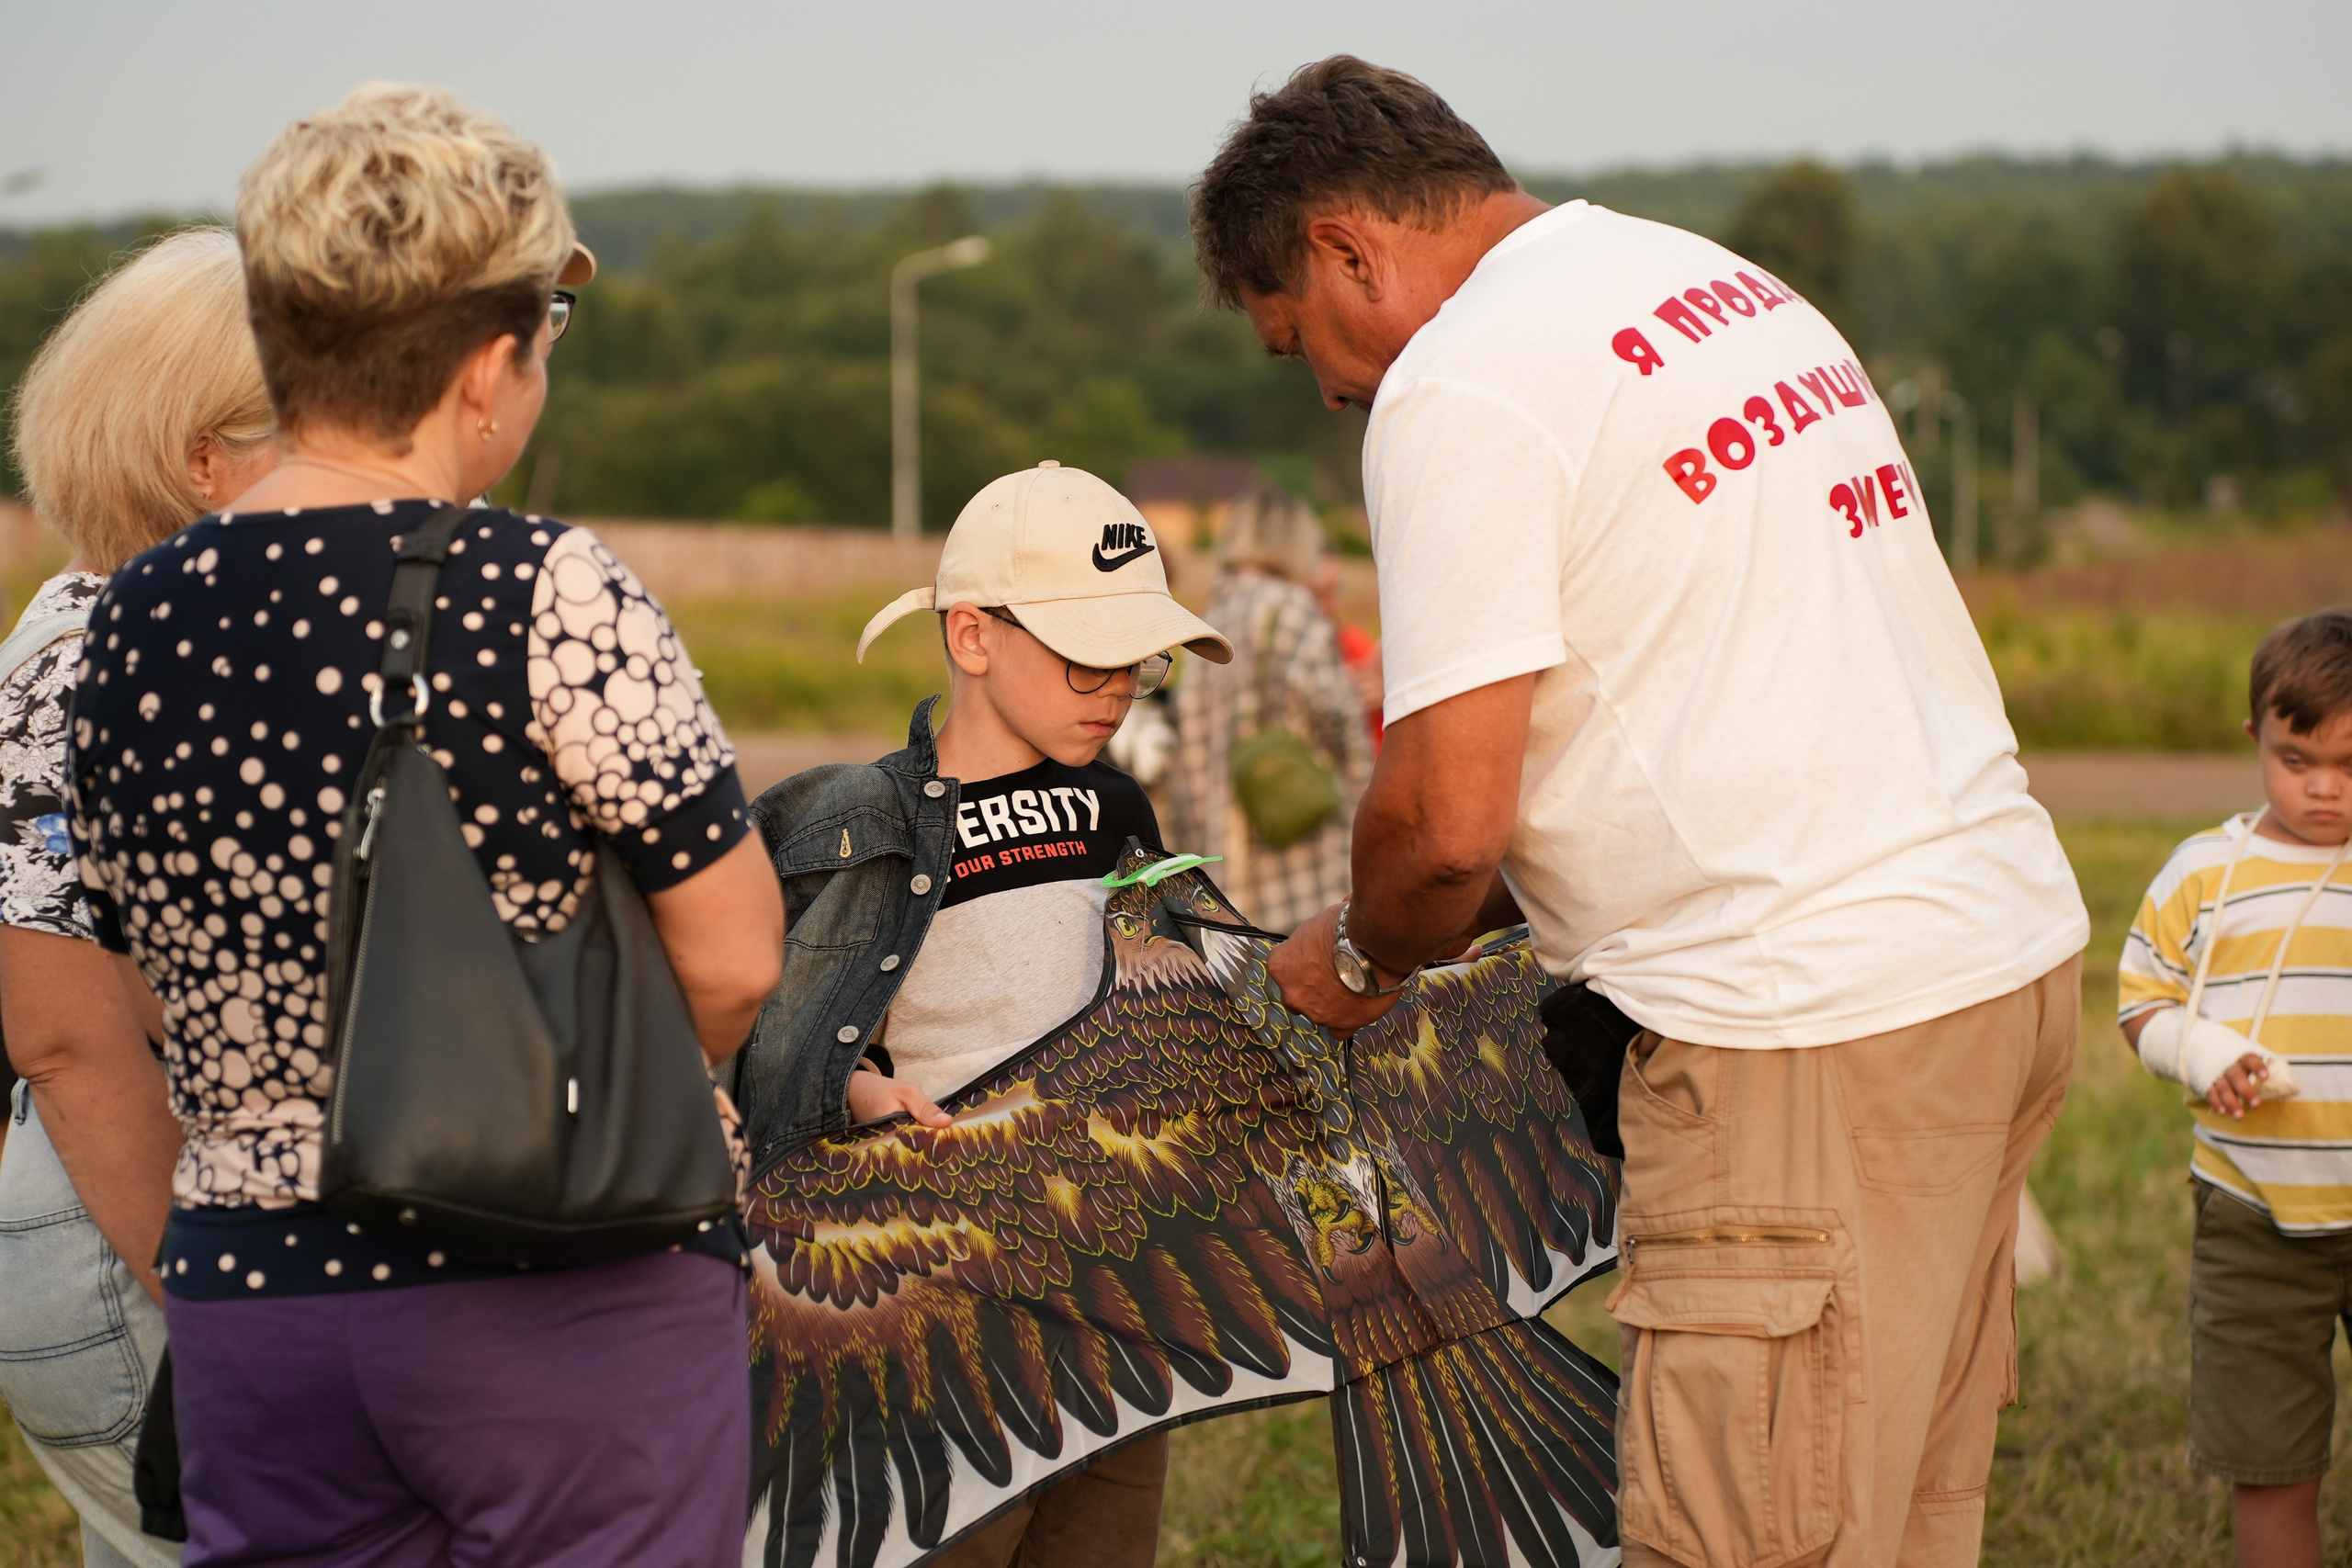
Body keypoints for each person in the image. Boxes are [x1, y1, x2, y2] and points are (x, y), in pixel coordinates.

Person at [1195, 57, 2088, 1567]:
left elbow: (1446, 820)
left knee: (1746, 1532)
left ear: (1350, 244)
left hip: (1804, 1028)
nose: (1336, 386)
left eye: (1302, 342)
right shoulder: (1705, 286)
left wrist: (1350, 960)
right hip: (1993, 969)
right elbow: (1662, 717)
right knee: (1892, 1519)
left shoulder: (1462, 382)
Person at [63, 85, 782, 1567]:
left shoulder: (129, 616)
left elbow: (144, 972)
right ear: (485, 365)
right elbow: (735, 956)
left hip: (253, 1302)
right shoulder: (546, 591)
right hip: (553, 1288)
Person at [738, 459, 1229, 1568]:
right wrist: (857, 1089)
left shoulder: (1121, 808)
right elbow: (767, 1032)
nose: (1116, 688)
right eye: (1085, 656)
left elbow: (1173, 1008)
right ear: (972, 637)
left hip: (1115, 1278)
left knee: (1102, 1540)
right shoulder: (869, 822)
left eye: (1139, 663)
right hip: (941, 1289)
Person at [0, 226, 278, 1568]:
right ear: (200, 457)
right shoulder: (105, 649)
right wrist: (227, 1299)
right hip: (134, 1236)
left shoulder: (93, 613)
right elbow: (64, 1026)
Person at [2119, 608, 2352, 1568]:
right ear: (2254, 734)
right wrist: (2201, 1052)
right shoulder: (2204, 874)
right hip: (2253, 1215)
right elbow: (2141, 1002)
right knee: (2270, 1467)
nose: (2325, 790)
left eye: (2351, 766)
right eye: (2299, 760)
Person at [1167, 487, 1370, 932]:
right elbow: (1341, 725)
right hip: (1304, 868)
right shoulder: (1292, 610)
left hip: (1221, 879)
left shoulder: (1206, 622)